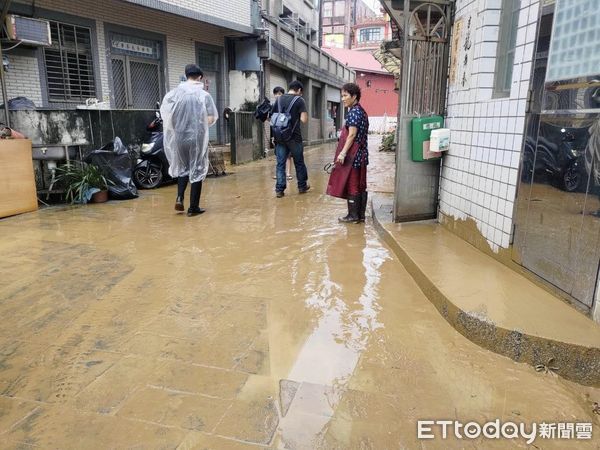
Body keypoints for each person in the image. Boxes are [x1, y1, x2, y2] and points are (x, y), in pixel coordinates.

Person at [160, 64, 218, 217]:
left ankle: (180, 197)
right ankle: (193, 208)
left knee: (183, 167)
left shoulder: (174, 94)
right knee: (197, 169)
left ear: (186, 76)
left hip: (179, 138)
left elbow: (166, 116)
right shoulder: (204, 95)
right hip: (196, 139)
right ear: (200, 77)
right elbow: (211, 118)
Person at [326, 83, 369, 223]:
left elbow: (351, 135)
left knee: (353, 184)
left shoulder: (354, 112)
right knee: (360, 184)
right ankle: (360, 216)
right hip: (361, 155)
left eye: (345, 95)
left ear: (354, 96)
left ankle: (353, 216)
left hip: (353, 156)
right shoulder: (362, 111)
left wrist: (343, 153)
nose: (343, 99)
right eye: (342, 96)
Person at [271, 80, 310, 198]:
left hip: (280, 137)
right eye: (301, 92)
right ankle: (302, 187)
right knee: (299, 162)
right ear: (299, 90)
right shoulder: (299, 100)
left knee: (280, 164)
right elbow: (304, 119)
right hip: (294, 137)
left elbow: (272, 118)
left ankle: (279, 190)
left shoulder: (278, 99)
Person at [270, 86, 293, 181]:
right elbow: (272, 122)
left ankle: (288, 173)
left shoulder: (287, 105)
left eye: (280, 94)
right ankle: (280, 174)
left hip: (287, 134)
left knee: (288, 155)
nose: (278, 96)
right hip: (277, 135)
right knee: (279, 155)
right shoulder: (273, 106)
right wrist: (272, 136)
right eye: (276, 94)